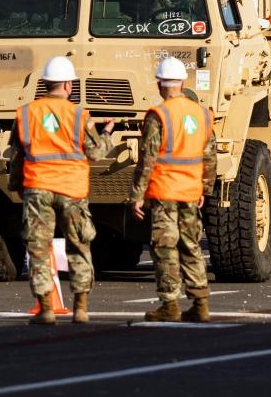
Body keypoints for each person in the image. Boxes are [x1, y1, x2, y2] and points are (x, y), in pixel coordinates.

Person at [16, 55, 113, 324]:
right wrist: (107, 135)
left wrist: (16, 186)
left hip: (38, 188)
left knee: (39, 248)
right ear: (69, 86)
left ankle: (46, 309)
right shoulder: (80, 115)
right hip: (72, 190)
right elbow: (95, 153)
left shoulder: (26, 113)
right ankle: (80, 308)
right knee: (79, 246)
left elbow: (18, 155)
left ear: (45, 84)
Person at [130, 56, 216, 323]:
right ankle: (200, 303)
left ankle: (170, 304)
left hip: (165, 191)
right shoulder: (201, 114)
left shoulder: (160, 115)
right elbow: (209, 156)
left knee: (165, 247)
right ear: (182, 82)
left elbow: (148, 158)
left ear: (159, 84)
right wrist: (204, 188)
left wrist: (136, 195)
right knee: (191, 245)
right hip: (190, 192)